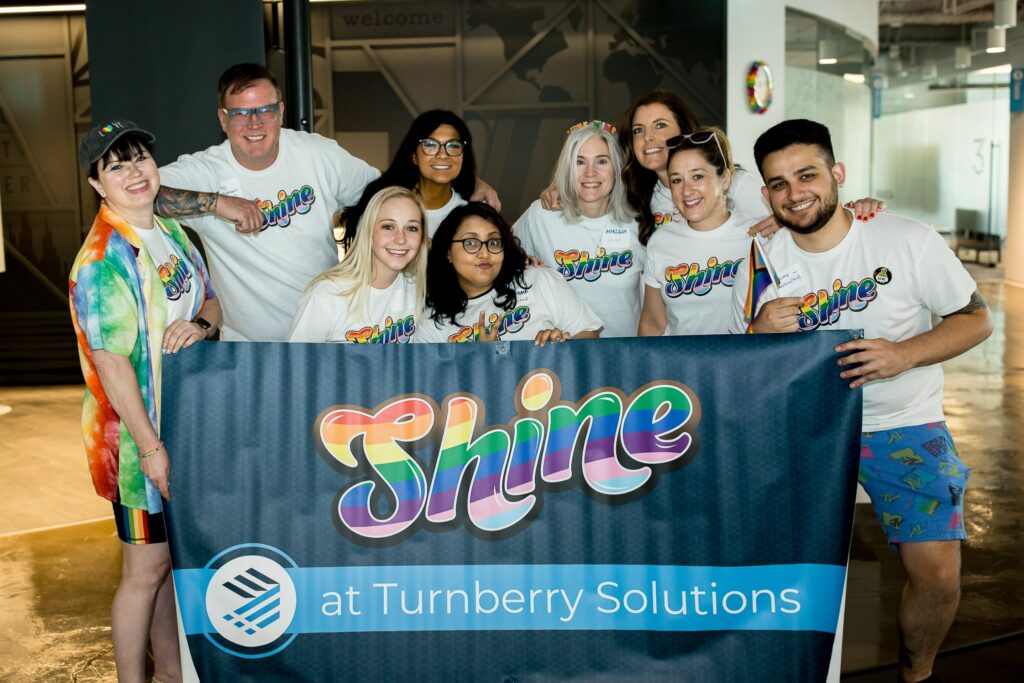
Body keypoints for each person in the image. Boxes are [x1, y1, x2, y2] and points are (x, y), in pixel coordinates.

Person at [733, 118, 993, 683]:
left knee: (939, 576)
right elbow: (745, 365)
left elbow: (976, 320)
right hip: (800, 429)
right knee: (771, 569)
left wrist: (905, 355)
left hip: (902, 423)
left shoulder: (904, 237)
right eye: (778, 183)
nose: (795, 192)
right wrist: (756, 334)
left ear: (838, 175)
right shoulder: (758, 260)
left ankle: (917, 673)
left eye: (807, 175)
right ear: (764, 194)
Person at [155, 63, 498, 342]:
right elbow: (142, 195)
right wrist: (217, 203)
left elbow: (389, 190)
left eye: (265, 110)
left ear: (281, 111)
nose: (254, 123)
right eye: (241, 113)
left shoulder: (317, 155)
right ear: (223, 119)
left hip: (331, 336)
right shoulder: (205, 170)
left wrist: (466, 181)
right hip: (252, 349)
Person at [69, 120, 222, 683]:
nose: (134, 173)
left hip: (186, 427)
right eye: (116, 166)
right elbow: (110, 364)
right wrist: (151, 448)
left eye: (139, 159)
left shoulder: (170, 233)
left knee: (164, 568)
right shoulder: (102, 259)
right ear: (95, 183)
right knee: (145, 570)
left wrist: (201, 326)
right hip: (138, 443)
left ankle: (171, 674)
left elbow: (209, 299)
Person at [513, 120, 644, 337]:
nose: (590, 173)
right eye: (579, 162)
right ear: (567, 168)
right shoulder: (542, 215)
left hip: (624, 356)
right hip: (564, 358)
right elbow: (498, 258)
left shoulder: (638, 224)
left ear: (616, 168)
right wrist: (522, 260)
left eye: (602, 161)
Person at [417, 202, 602, 344]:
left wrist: (562, 347)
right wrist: (476, 358)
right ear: (448, 252)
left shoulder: (538, 280)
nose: (484, 253)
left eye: (493, 242)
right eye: (471, 243)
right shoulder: (432, 323)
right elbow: (432, 387)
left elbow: (590, 335)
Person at [639, 126, 760, 336]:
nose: (686, 190)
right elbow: (653, 324)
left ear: (725, 179)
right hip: (681, 366)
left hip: (744, 365)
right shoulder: (661, 241)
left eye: (697, 177)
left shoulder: (757, 235)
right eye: (677, 180)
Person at [287, 186, 426, 343]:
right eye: (388, 227)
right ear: (368, 231)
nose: (401, 239)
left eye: (412, 228)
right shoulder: (327, 295)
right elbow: (295, 363)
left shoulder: (417, 291)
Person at [340, 110, 474, 244]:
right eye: (430, 145)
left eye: (453, 146)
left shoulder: (471, 214)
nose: (443, 154)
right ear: (414, 157)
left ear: (463, 156)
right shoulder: (384, 206)